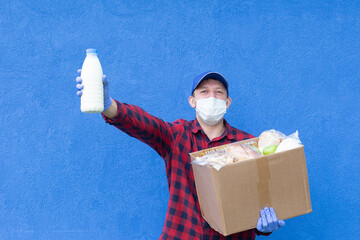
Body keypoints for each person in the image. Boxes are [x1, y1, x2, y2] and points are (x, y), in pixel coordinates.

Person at [75, 70, 285, 239]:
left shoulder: (248, 145)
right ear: (192, 101)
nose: (212, 97)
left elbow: (261, 198)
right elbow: (144, 124)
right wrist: (109, 106)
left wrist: (265, 226)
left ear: (227, 102)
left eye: (218, 92)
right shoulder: (176, 136)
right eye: (204, 92)